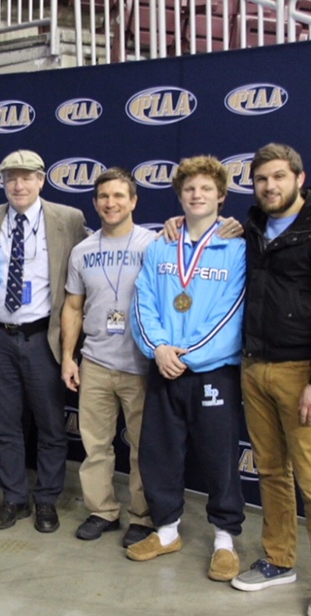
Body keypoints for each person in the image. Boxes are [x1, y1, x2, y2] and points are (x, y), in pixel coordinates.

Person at [127, 155, 246, 583]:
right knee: (160, 452)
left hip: (211, 372)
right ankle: (166, 531)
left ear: (221, 196)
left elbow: (232, 314)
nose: (197, 195)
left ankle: (225, 540)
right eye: (190, 189)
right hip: (164, 367)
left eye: (206, 189)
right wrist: (158, 349)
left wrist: (186, 356)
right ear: (179, 196)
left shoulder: (236, 247)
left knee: (219, 458)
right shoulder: (160, 245)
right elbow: (142, 302)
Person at [0, 150, 87, 533]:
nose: (18, 185)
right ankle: (14, 499)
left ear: (42, 180)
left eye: (26, 177)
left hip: (44, 337)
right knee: (5, 425)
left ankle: (46, 500)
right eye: (11, 178)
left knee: (50, 427)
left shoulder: (68, 220)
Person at [228, 144, 311, 606]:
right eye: (261, 179)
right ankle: (279, 560)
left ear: (299, 178)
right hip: (255, 365)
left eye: (279, 177)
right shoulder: (253, 226)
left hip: (301, 371)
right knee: (273, 472)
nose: (270, 186)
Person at [60, 167, 155, 547]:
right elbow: (72, 306)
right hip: (95, 361)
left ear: (133, 201)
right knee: (95, 445)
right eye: (103, 197)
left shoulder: (154, 245)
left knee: (142, 447)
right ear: (95, 202)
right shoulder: (83, 251)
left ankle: (142, 517)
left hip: (141, 363)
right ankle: (102, 511)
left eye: (119, 196)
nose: (110, 203)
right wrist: (69, 357)